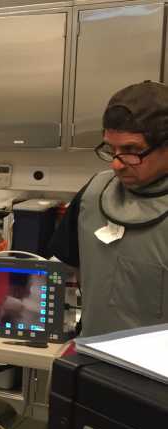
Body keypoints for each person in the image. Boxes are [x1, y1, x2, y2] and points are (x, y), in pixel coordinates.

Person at [50, 81, 168, 337]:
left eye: (132, 150)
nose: (116, 164)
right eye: (111, 149)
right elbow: (60, 266)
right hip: (93, 359)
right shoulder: (95, 193)